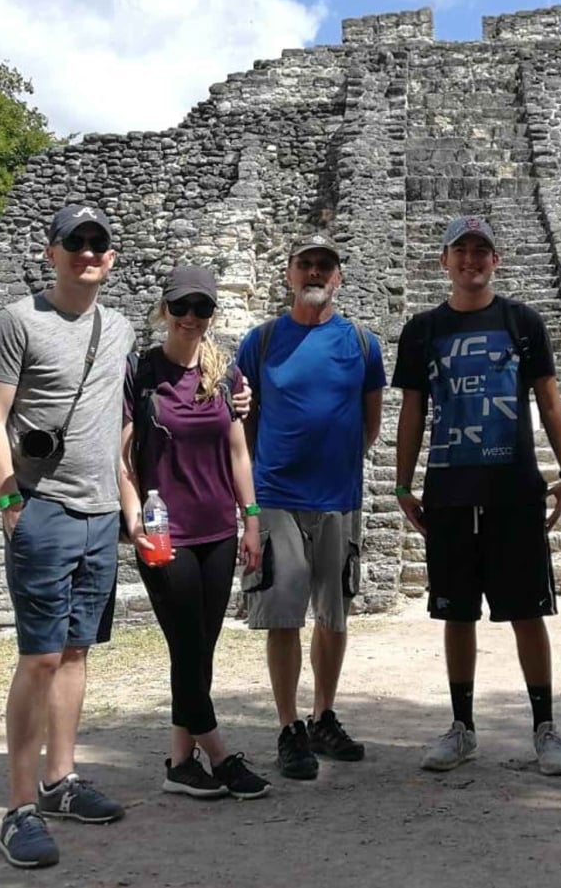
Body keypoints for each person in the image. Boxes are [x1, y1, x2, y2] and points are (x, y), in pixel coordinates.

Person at [0, 204, 136, 868]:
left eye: (98, 243)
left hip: (99, 512)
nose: (88, 253)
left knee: (75, 652)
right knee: (39, 656)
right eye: (76, 243)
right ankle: (17, 807)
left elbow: (137, 401)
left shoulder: (120, 327)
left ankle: (59, 779)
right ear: (52, 252)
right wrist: (10, 497)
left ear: (111, 257)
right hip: (44, 507)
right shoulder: (19, 321)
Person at [393, 216, 561, 776]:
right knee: (456, 613)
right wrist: (403, 484)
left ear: (496, 261)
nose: (471, 259)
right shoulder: (421, 329)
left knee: (527, 611)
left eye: (482, 250)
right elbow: (412, 411)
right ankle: (462, 726)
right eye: (461, 250)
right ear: (443, 261)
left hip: (514, 488)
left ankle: (545, 727)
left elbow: (549, 399)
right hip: (449, 489)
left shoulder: (523, 321)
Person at [235, 234, 386, 780]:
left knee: (334, 613)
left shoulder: (364, 344)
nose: (316, 273)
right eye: (306, 264)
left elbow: (369, 423)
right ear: (289, 274)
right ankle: (288, 726)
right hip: (277, 495)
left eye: (326, 265)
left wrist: (335, 462)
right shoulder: (263, 339)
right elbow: (243, 422)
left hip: (337, 497)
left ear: (338, 276)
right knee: (283, 614)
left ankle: (323, 714)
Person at [119, 265, 271, 802]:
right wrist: (133, 515)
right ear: (164, 310)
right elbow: (124, 457)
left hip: (217, 529)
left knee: (199, 648)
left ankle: (179, 762)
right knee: (186, 643)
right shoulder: (140, 372)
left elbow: (237, 452)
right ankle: (221, 754)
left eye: (201, 309)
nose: (190, 318)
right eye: (180, 307)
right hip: (165, 531)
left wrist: (251, 518)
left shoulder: (224, 374)